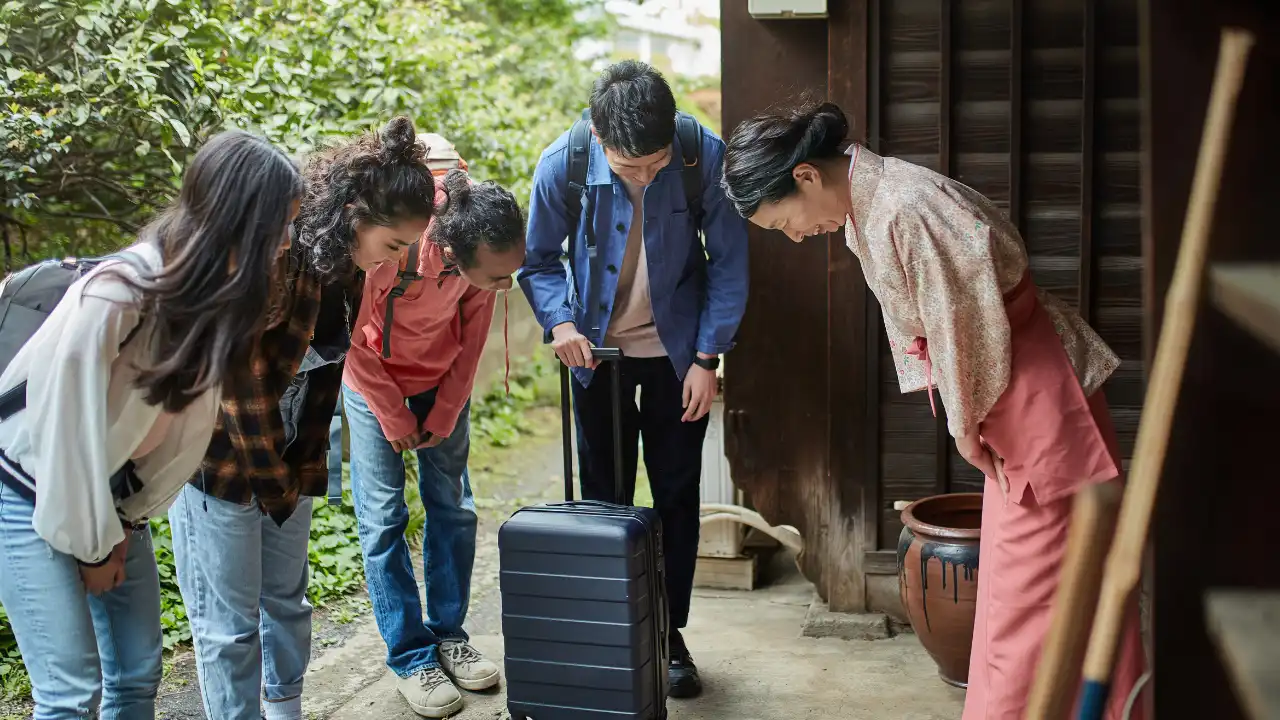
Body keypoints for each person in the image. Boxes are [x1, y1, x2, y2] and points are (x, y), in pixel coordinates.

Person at [721, 100, 1147, 720]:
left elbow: (964, 324)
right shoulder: (870, 208)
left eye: (783, 219)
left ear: (806, 177)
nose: (794, 234)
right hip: (1010, 391)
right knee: (1022, 588)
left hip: (1031, 398)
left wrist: (965, 422)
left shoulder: (904, 205)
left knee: (1032, 601)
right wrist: (964, 410)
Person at [0, 130, 299, 720]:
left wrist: (119, 527)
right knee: (69, 691)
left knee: (136, 672)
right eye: (280, 226)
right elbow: (64, 434)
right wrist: (95, 547)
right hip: (23, 485)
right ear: (241, 219)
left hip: (109, 500)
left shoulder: (212, 304)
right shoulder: (119, 294)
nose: (287, 242)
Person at [166, 117, 439, 720]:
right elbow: (235, 384)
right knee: (229, 625)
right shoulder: (275, 258)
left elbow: (329, 371)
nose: (389, 263)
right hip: (220, 462)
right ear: (352, 214)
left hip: (291, 452)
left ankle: (285, 708)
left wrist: (297, 471)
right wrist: (277, 481)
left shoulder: (347, 268)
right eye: (391, 245)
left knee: (287, 599)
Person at [518, 60, 749, 699]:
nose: (646, 176)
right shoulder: (561, 165)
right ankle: (612, 630)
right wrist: (560, 322)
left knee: (676, 495)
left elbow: (727, 263)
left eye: (655, 164)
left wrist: (709, 360)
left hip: (678, 357)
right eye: (629, 168)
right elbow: (537, 262)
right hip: (595, 357)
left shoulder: (702, 155)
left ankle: (668, 634)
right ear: (597, 137)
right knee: (604, 497)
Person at [342, 146, 526, 718]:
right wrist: (395, 414)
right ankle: (409, 655)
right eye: (497, 275)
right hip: (374, 390)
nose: (506, 285)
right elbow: (350, 340)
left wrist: (444, 412)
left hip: (440, 385)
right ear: (450, 251)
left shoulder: (479, 268)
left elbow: (471, 342)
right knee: (383, 520)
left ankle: (449, 634)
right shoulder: (390, 255)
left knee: (453, 508)